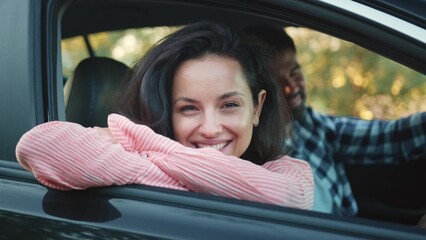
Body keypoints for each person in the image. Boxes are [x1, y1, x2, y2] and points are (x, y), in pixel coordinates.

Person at [15, 21, 314, 210]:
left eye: (229, 105)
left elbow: (285, 200)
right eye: (188, 108)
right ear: (167, 112)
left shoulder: (291, 172)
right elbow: (38, 147)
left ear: (257, 107)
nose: (210, 129)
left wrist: (141, 143)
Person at [244, 24, 426, 216]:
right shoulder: (253, 155)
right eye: (278, 82)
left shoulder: (312, 126)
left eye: (295, 73)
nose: (291, 88)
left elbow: (392, 137)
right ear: (259, 94)